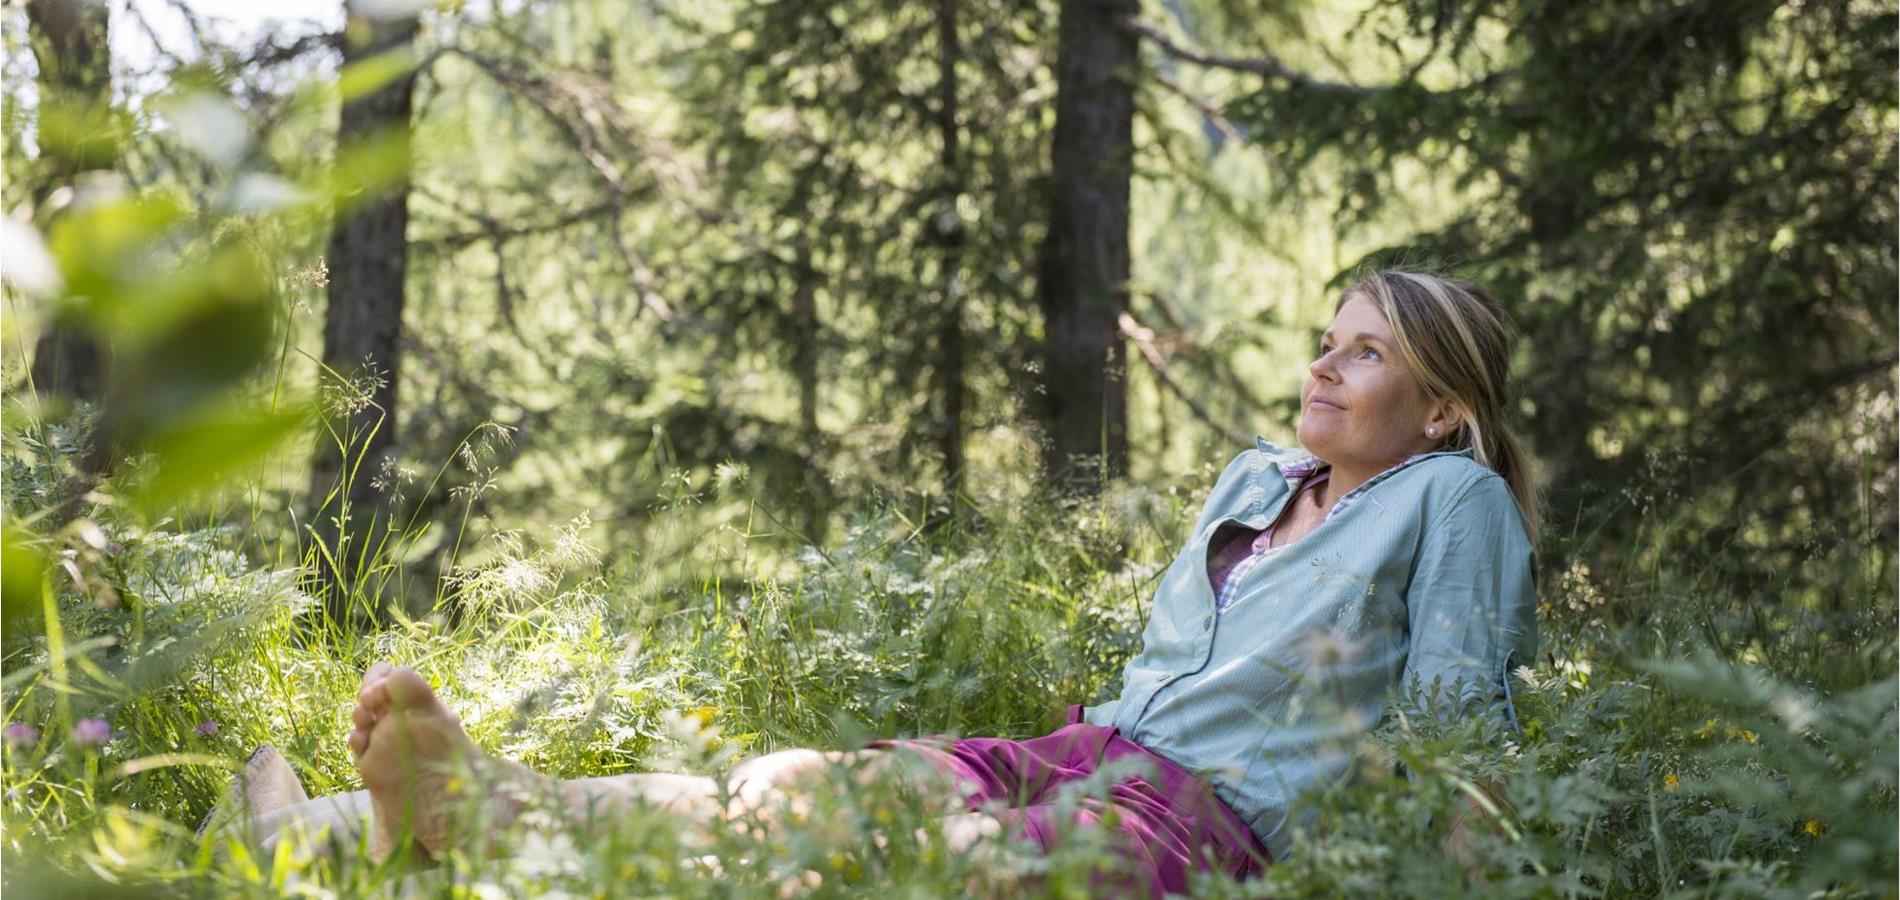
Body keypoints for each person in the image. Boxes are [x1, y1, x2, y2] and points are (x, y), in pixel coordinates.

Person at [221, 269, 1540, 896]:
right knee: (795, 789)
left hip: (1209, 821)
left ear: (1438, 409)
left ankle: (449, 836)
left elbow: (1458, 727)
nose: (1321, 368)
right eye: (1325, 343)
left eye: (1364, 356)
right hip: (1085, 748)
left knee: (917, 864)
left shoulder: (1452, 497)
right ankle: (371, 824)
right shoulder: (1257, 478)